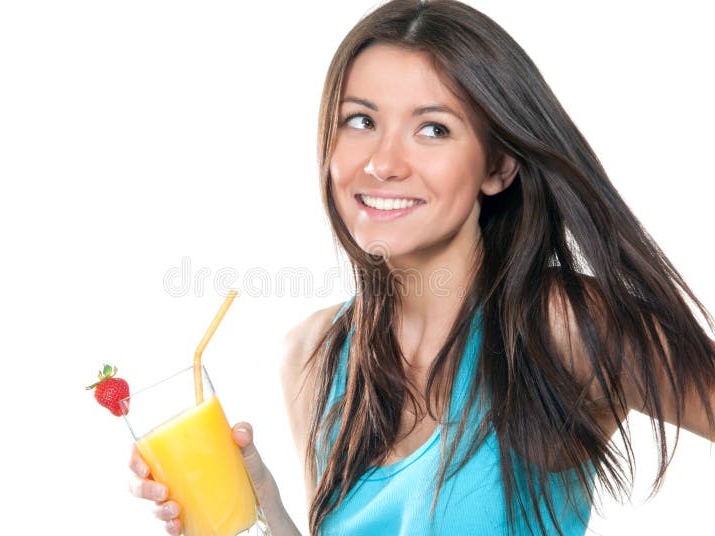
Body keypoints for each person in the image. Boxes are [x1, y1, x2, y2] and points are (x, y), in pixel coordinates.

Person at [128, 0, 715, 534]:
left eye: (432, 128)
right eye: (361, 120)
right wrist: (264, 509)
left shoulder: (560, 326)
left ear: (499, 167)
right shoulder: (311, 356)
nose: (383, 163)